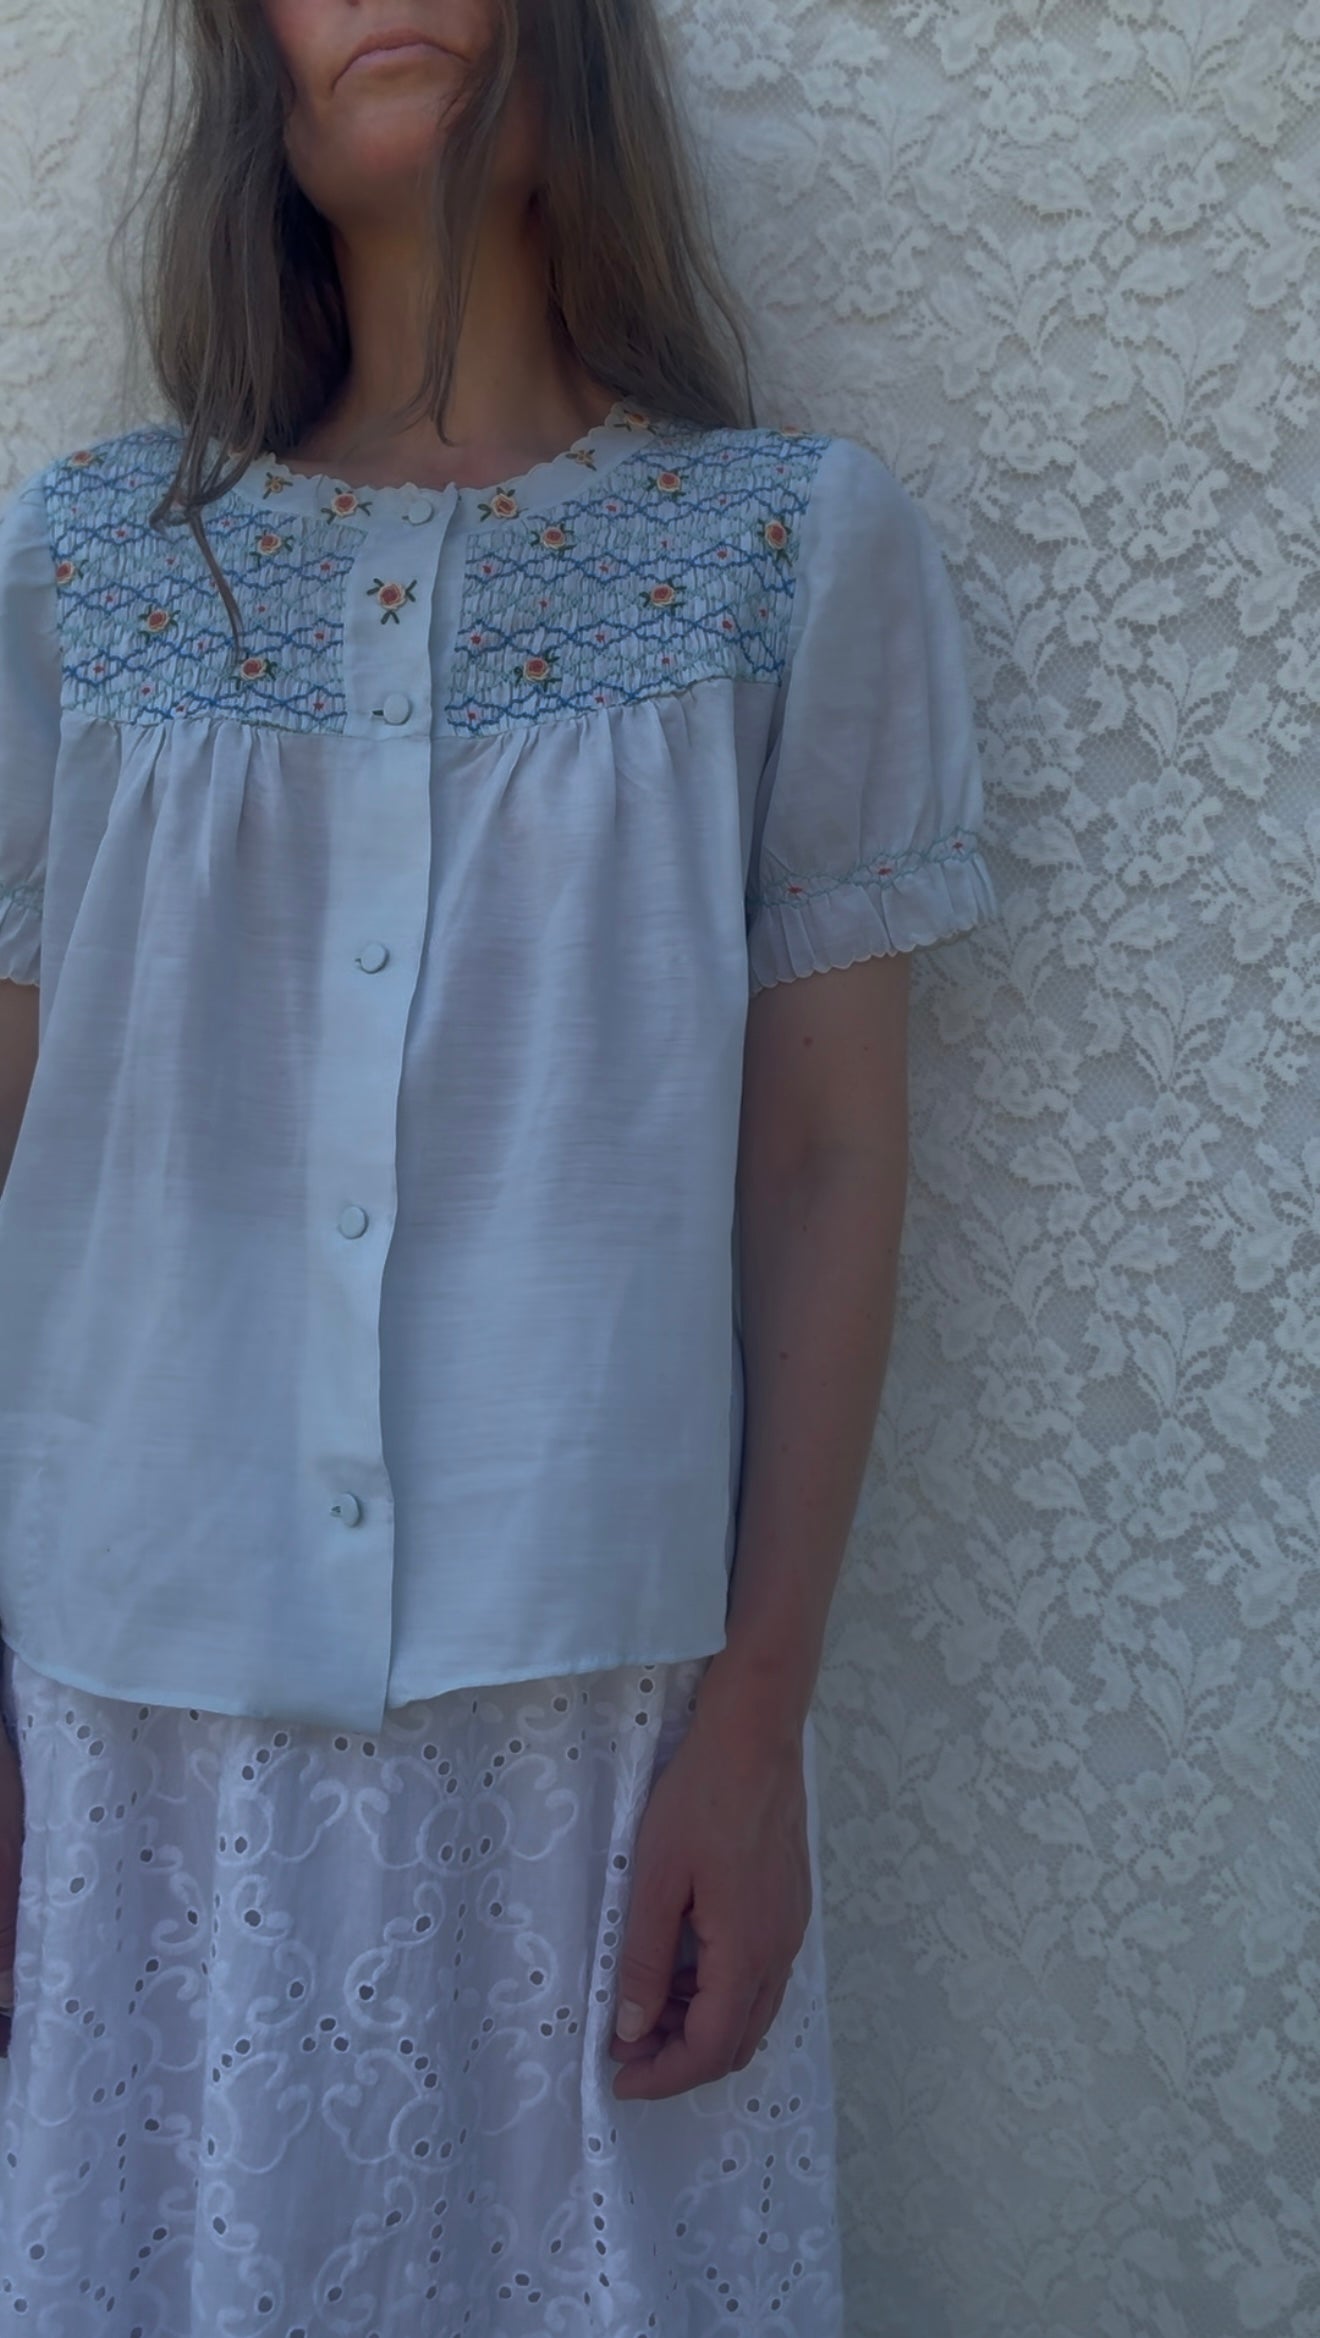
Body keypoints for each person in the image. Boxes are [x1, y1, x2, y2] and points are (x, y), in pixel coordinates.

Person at [0, 0, 1000, 2328]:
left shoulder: (782, 557)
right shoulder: (84, 577)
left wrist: (755, 1729)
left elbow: (826, 1164)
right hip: (133, 1728)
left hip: (604, 1735)